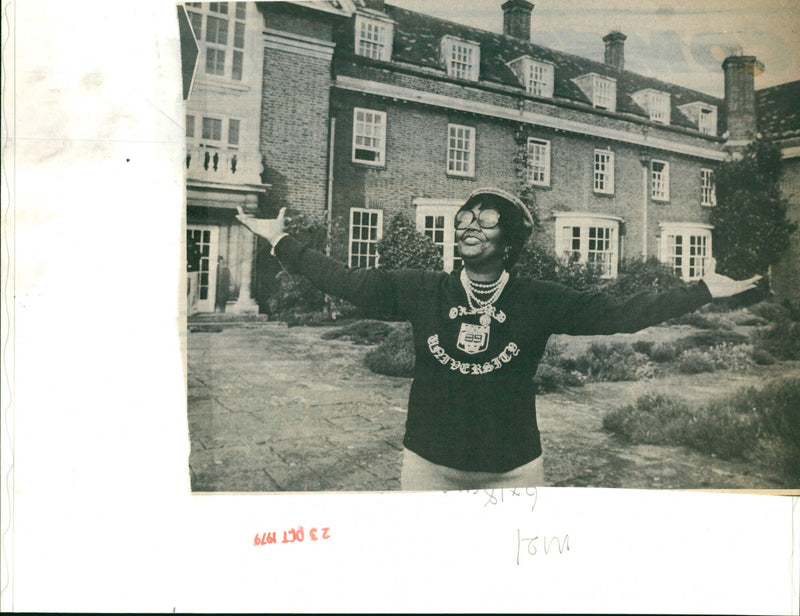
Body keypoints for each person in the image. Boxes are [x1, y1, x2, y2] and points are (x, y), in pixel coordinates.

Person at [236, 188, 761, 491]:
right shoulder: (421, 290)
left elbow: (620, 314)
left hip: (513, 470)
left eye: (484, 222)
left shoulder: (538, 297)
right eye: (463, 219)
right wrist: (281, 241)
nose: (467, 226)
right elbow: (345, 281)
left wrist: (701, 291)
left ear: (508, 242)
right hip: (428, 465)